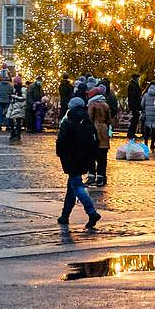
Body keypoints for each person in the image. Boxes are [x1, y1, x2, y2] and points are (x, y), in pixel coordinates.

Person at [56, 97, 101, 230]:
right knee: (72, 186)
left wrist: (60, 153)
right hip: (84, 158)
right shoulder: (87, 121)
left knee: (77, 185)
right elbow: (95, 140)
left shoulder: (68, 120)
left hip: (71, 158)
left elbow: (61, 140)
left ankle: (92, 212)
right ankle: (65, 216)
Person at [86, 83, 112, 184]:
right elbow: (109, 120)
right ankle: (102, 177)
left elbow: (89, 119)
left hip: (94, 132)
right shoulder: (105, 104)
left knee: (91, 155)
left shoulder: (92, 104)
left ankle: (92, 176)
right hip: (104, 131)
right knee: (102, 156)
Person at [7, 77, 26, 143]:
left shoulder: (22, 89)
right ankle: (13, 133)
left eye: (15, 82)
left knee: (18, 120)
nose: (14, 83)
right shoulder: (14, 88)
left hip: (19, 106)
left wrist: (14, 96)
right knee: (10, 119)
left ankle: (17, 135)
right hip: (14, 106)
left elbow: (23, 97)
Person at [126, 75, 142, 139]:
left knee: (135, 119)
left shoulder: (133, 85)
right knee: (135, 119)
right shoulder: (133, 85)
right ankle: (131, 133)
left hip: (134, 105)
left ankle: (131, 133)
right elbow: (134, 97)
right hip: (135, 106)